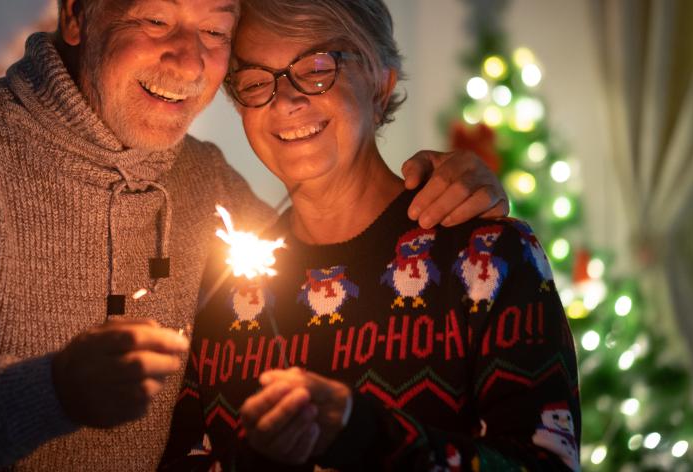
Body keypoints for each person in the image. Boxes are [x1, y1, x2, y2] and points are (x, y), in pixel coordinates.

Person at [0, 0, 508, 471]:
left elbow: (322, 243)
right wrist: (54, 391)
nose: (186, 59)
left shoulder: (205, 182)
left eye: (213, 31)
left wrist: (456, 184)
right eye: (154, 18)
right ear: (79, 14)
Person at [159, 0, 581, 470]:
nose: (287, 100)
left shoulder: (488, 258)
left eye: (318, 68)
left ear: (381, 84)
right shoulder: (224, 291)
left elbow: (544, 464)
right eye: (257, 81)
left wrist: (361, 432)